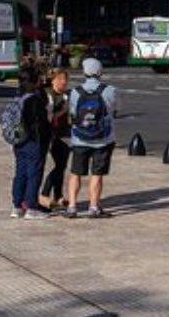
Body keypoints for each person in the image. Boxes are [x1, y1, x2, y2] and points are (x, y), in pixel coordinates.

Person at [65, 57, 120, 219]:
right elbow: (117, 110)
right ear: (100, 72)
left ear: (84, 72)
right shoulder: (110, 90)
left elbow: (73, 114)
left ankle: (72, 207)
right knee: (97, 174)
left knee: (75, 173)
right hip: (103, 139)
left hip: (79, 138)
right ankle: (94, 207)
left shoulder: (75, 92)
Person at [9, 65, 52, 219]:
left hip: (18, 140)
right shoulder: (34, 99)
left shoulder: (17, 96)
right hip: (34, 141)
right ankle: (32, 207)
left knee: (20, 172)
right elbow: (41, 123)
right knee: (34, 173)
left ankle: (17, 205)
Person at [38, 68, 72, 211]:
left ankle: (58, 196)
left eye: (65, 79)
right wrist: (62, 112)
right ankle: (45, 193)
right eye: (59, 79)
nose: (63, 82)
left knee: (62, 165)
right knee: (59, 166)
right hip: (52, 135)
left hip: (65, 133)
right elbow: (47, 117)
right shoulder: (48, 95)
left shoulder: (66, 95)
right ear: (52, 80)